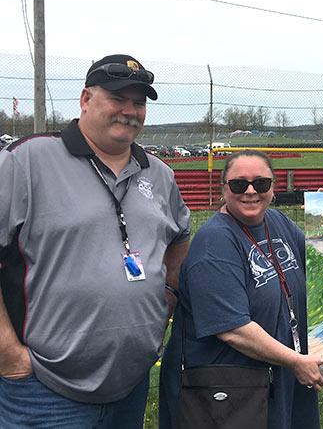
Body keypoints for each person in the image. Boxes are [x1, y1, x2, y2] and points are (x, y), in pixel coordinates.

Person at [0, 54, 190, 428]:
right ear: (86, 99)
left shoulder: (159, 174)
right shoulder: (27, 161)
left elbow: (180, 237)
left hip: (130, 385)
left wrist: (166, 295)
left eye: (139, 102)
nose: (130, 111)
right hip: (43, 389)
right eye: (118, 98)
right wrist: (8, 353)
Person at [159, 149, 323, 429]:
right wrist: (296, 361)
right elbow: (233, 329)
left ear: (274, 189)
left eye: (261, 183)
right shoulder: (214, 243)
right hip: (225, 390)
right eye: (239, 184)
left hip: (274, 375)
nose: (251, 191)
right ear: (224, 189)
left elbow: (321, 257)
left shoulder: (278, 223)